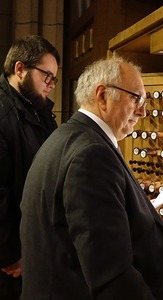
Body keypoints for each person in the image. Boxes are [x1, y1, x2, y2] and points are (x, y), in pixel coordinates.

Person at [20, 56, 163, 300]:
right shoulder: (91, 154)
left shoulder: (69, 136)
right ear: (102, 95)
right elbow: (112, 277)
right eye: (136, 98)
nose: (143, 110)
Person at [0, 35, 60, 299]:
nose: (51, 86)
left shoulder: (38, 109)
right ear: (20, 69)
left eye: (53, 79)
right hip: (11, 255)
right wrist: (9, 253)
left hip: (35, 240)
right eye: (46, 76)